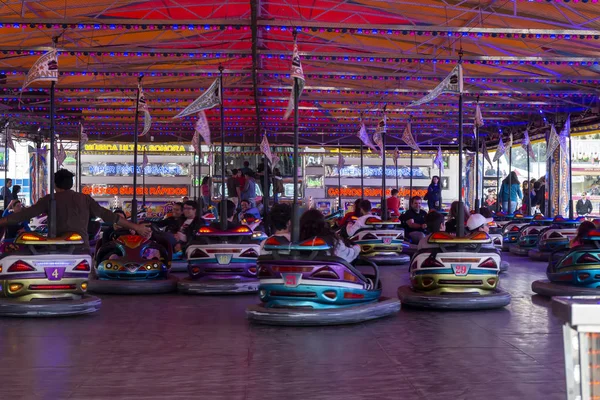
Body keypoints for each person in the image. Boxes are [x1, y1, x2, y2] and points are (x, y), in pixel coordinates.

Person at [0, 169, 150, 247]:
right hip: (81, 246)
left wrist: (3, 221)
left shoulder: (49, 199)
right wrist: (136, 227)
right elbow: (110, 216)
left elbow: (24, 215)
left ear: (55, 184)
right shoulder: (85, 199)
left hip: (58, 247)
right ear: (70, 184)